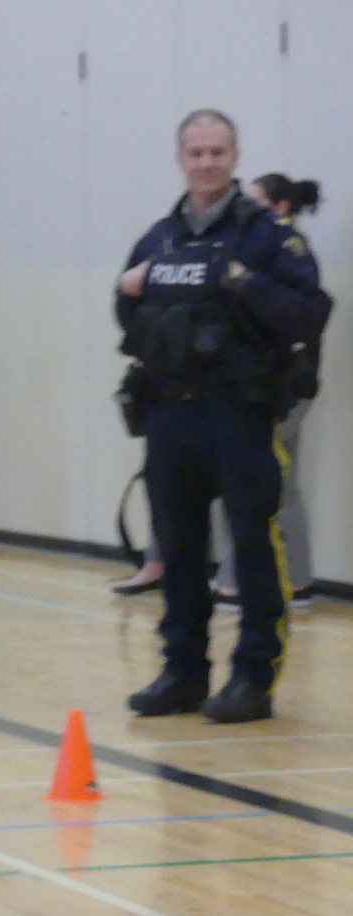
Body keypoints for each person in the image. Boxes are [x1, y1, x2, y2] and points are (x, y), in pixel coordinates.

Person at [116, 110, 331, 723]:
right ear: (180, 158)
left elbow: (307, 313)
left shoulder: (267, 235)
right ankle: (183, 671)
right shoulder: (159, 237)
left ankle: (253, 677)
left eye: (217, 152)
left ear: (234, 158)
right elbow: (131, 320)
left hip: (237, 413)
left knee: (252, 546)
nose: (206, 163)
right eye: (195, 152)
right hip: (169, 414)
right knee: (179, 548)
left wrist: (240, 281)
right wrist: (125, 291)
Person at [213, 172, 325, 607]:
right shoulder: (277, 253)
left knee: (246, 479)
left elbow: (291, 320)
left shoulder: (283, 254)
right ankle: (298, 582)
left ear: (279, 208)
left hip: (283, 387)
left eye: (257, 202)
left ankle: (234, 580)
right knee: (283, 486)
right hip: (288, 386)